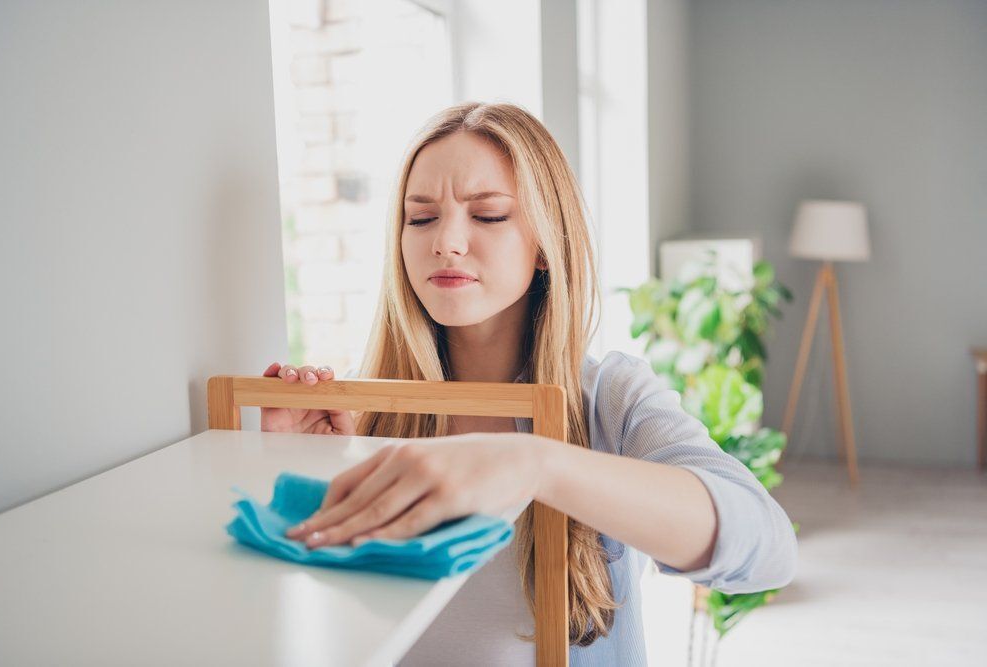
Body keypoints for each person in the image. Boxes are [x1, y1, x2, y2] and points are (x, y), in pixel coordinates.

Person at [259, 102, 797, 666]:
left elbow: (767, 549)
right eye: (420, 219)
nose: (445, 242)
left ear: (545, 244)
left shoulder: (610, 399)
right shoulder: (360, 412)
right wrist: (298, 468)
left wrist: (532, 462)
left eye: (488, 216)